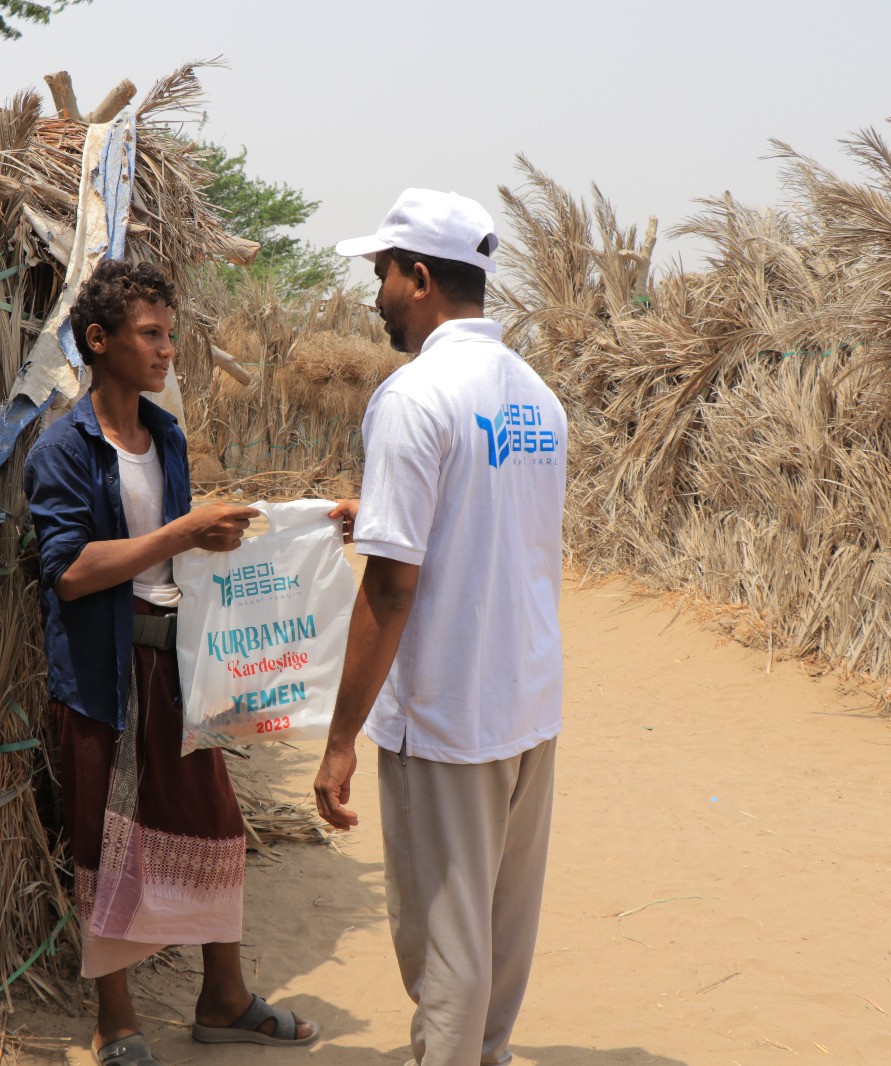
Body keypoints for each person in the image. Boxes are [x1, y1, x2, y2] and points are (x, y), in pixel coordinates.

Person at [25, 259, 320, 1065]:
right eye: (150, 335)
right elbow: (73, 574)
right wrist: (182, 533)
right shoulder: (63, 449)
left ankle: (222, 997)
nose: (167, 351)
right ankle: (115, 1019)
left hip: (178, 670)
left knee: (214, 825)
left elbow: (171, 564)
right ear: (100, 341)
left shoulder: (167, 437)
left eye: (169, 335)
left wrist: (249, 532)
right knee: (109, 840)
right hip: (103, 677)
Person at [313, 189, 568, 1066]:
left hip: (449, 714)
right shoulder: (538, 399)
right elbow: (492, 525)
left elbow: (390, 593)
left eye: (381, 273)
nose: (374, 292)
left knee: (449, 949)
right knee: (500, 937)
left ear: (419, 279)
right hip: (526, 703)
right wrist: (375, 513)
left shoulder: (414, 396)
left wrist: (341, 739)